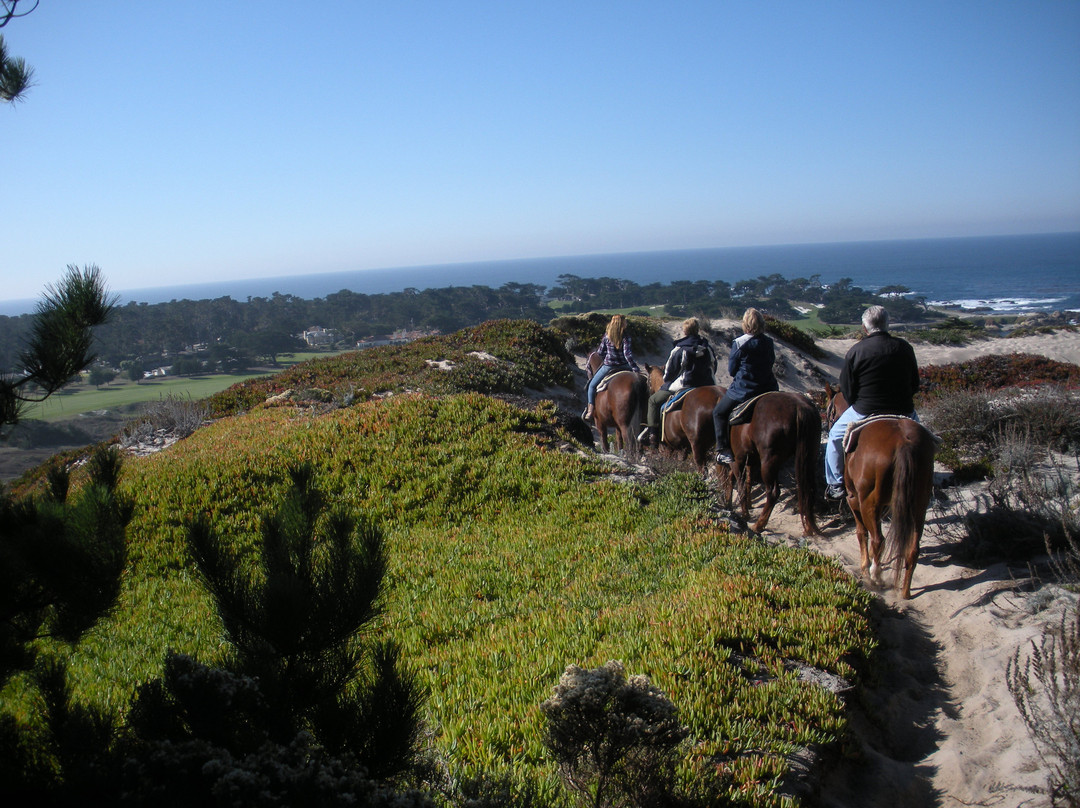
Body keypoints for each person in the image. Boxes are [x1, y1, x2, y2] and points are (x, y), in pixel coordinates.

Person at [825, 304, 921, 499]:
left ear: (864, 327)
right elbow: (914, 383)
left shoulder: (856, 351)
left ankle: (835, 484)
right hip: (904, 410)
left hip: (865, 410)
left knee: (834, 437)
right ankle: (925, 481)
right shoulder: (904, 347)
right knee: (925, 441)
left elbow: (848, 390)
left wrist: (859, 403)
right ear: (887, 324)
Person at [712, 308, 779, 464]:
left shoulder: (739, 343)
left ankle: (723, 450)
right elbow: (771, 362)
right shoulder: (768, 342)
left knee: (719, 413)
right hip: (768, 387)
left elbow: (732, 370)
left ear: (745, 324)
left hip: (744, 389)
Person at [643, 317, 717, 447]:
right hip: (708, 384)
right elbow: (714, 366)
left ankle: (652, 434)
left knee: (653, 401)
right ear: (697, 330)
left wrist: (668, 380)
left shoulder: (679, 349)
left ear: (685, 331)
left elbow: (668, 374)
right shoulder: (707, 348)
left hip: (685, 385)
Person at [584, 314, 640, 420]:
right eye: (625, 321)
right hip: (624, 366)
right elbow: (627, 355)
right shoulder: (626, 336)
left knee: (591, 385)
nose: (626, 323)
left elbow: (600, 352)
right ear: (621, 323)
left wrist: (608, 353)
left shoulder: (607, 336)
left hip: (609, 366)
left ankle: (590, 410)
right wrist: (635, 368)